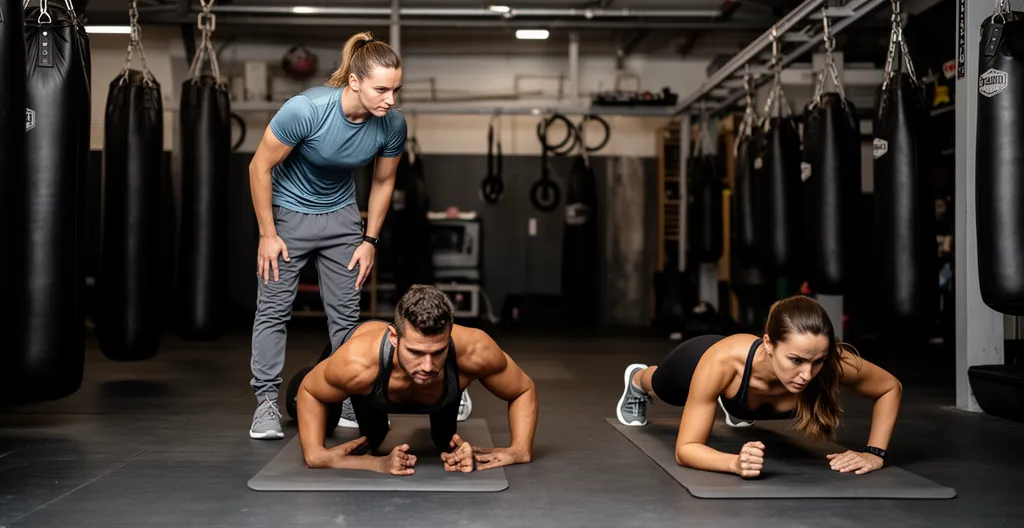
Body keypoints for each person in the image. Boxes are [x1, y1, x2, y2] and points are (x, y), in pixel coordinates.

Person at [246, 31, 471, 439]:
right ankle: (265, 403)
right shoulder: (307, 110)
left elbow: (383, 182)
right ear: (354, 81)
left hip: (342, 219)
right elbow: (259, 167)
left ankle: (350, 395)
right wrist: (267, 233)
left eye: (396, 89)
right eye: (381, 90)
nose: (391, 100)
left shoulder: (391, 125)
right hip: (289, 217)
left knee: (346, 318)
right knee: (274, 311)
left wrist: (369, 241)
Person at [616, 295, 903, 479]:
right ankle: (637, 379)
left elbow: (890, 387)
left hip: (740, 387)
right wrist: (734, 463)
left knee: (745, 395)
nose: (807, 374)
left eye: (817, 361)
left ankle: (734, 403)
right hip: (699, 359)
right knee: (661, 386)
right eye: (796, 360)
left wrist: (874, 453)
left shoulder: (830, 363)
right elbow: (687, 449)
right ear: (768, 343)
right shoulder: (722, 363)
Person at [296, 285, 538, 475]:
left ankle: (456, 387)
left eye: (438, 352)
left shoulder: (476, 349)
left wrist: (519, 449)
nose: (427, 366)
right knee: (373, 440)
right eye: (415, 352)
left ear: (450, 335)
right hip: (370, 383)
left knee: (445, 441)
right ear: (394, 338)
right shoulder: (357, 362)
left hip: (439, 389)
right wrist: (319, 455)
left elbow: (522, 389)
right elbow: (310, 391)